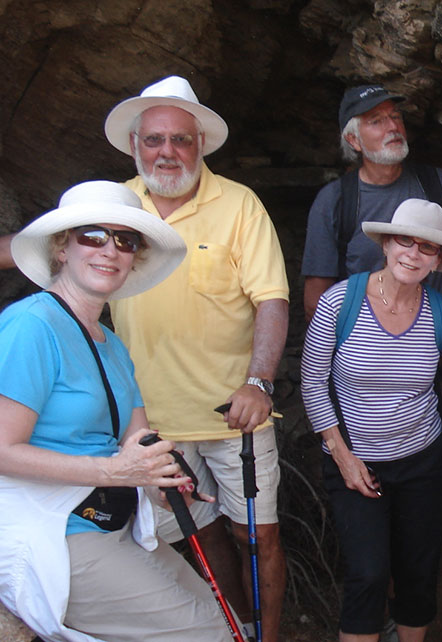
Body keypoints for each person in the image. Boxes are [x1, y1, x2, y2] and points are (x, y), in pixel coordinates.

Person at [99, 74, 291, 641]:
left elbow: (272, 300)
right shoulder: (115, 205)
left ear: (200, 144)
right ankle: (233, 630)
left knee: (256, 536)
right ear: (135, 146)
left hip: (234, 415)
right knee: (196, 538)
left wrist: (259, 381)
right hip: (149, 421)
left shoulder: (239, 204)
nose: (167, 151)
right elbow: (54, 248)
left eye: (180, 139)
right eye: (154, 139)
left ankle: (267, 638)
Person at [0, 180, 230, 641]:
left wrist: (167, 482)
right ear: (61, 248)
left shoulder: (112, 346)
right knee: (204, 634)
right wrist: (117, 471)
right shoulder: (30, 326)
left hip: (109, 524)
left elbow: (137, 441)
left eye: (125, 241)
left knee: (222, 621)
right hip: (52, 531)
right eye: (92, 235)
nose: (110, 250)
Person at [301, 198, 442, 642]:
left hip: (421, 458)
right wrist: (342, 456)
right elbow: (313, 381)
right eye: (404, 241)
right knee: (369, 573)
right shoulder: (341, 302)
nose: (413, 254)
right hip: (355, 459)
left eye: (427, 248)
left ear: (438, 260)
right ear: (387, 243)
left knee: (418, 570)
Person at [302, 84, 442, 320]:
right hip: (363, 343)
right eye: (376, 121)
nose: (393, 127)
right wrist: (379, 333)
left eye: (396, 116)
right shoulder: (335, 200)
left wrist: (427, 325)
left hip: (431, 342)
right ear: (353, 140)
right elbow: (315, 301)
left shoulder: (440, 185)